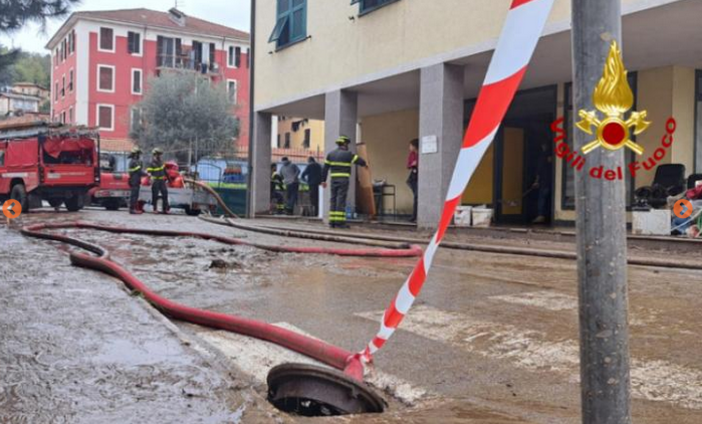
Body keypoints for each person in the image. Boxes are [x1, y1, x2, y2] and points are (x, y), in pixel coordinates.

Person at [322, 135, 368, 229]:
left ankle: (332, 222)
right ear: (344, 144)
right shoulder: (348, 154)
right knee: (341, 200)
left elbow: (325, 168)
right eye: (347, 144)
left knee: (333, 199)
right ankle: (339, 222)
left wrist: (323, 180)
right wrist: (365, 164)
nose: (347, 145)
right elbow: (360, 161)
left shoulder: (330, 154)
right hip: (343, 180)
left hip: (333, 180)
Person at [531, 143, 553, 224]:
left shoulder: (543, 156)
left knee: (542, 198)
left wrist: (536, 181)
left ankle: (541, 215)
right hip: (547, 181)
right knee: (546, 198)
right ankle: (543, 215)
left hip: (544, 181)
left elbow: (539, 170)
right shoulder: (549, 156)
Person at [147, 147, 169, 214]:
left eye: (160, 154)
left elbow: (165, 171)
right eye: (158, 154)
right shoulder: (151, 163)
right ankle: (155, 209)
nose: (159, 156)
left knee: (165, 194)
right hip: (155, 181)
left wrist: (169, 179)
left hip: (162, 181)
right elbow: (149, 172)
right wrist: (150, 179)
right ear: (154, 155)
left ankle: (165, 209)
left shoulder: (162, 162)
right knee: (155, 195)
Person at [127, 147, 146, 215]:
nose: (139, 156)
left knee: (135, 195)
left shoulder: (134, 161)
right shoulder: (134, 162)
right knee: (134, 195)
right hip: (134, 180)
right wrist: (146, 174)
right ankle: (132, 209)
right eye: (138, 154)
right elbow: (139, 171)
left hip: (135, 180)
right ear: (135, 154)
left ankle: (133, 208)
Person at [406, 139, 419, 222]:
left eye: (410, 145)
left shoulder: (420, 154)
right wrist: (412, 164)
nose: (409, 147)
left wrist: (417, 163)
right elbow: (408, 165)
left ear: (415, 146)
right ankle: (414, 216)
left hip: (420, 175)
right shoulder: (412, 154)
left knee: (417, 196)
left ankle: (415, 216)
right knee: (416, 196)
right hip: (414, 176)